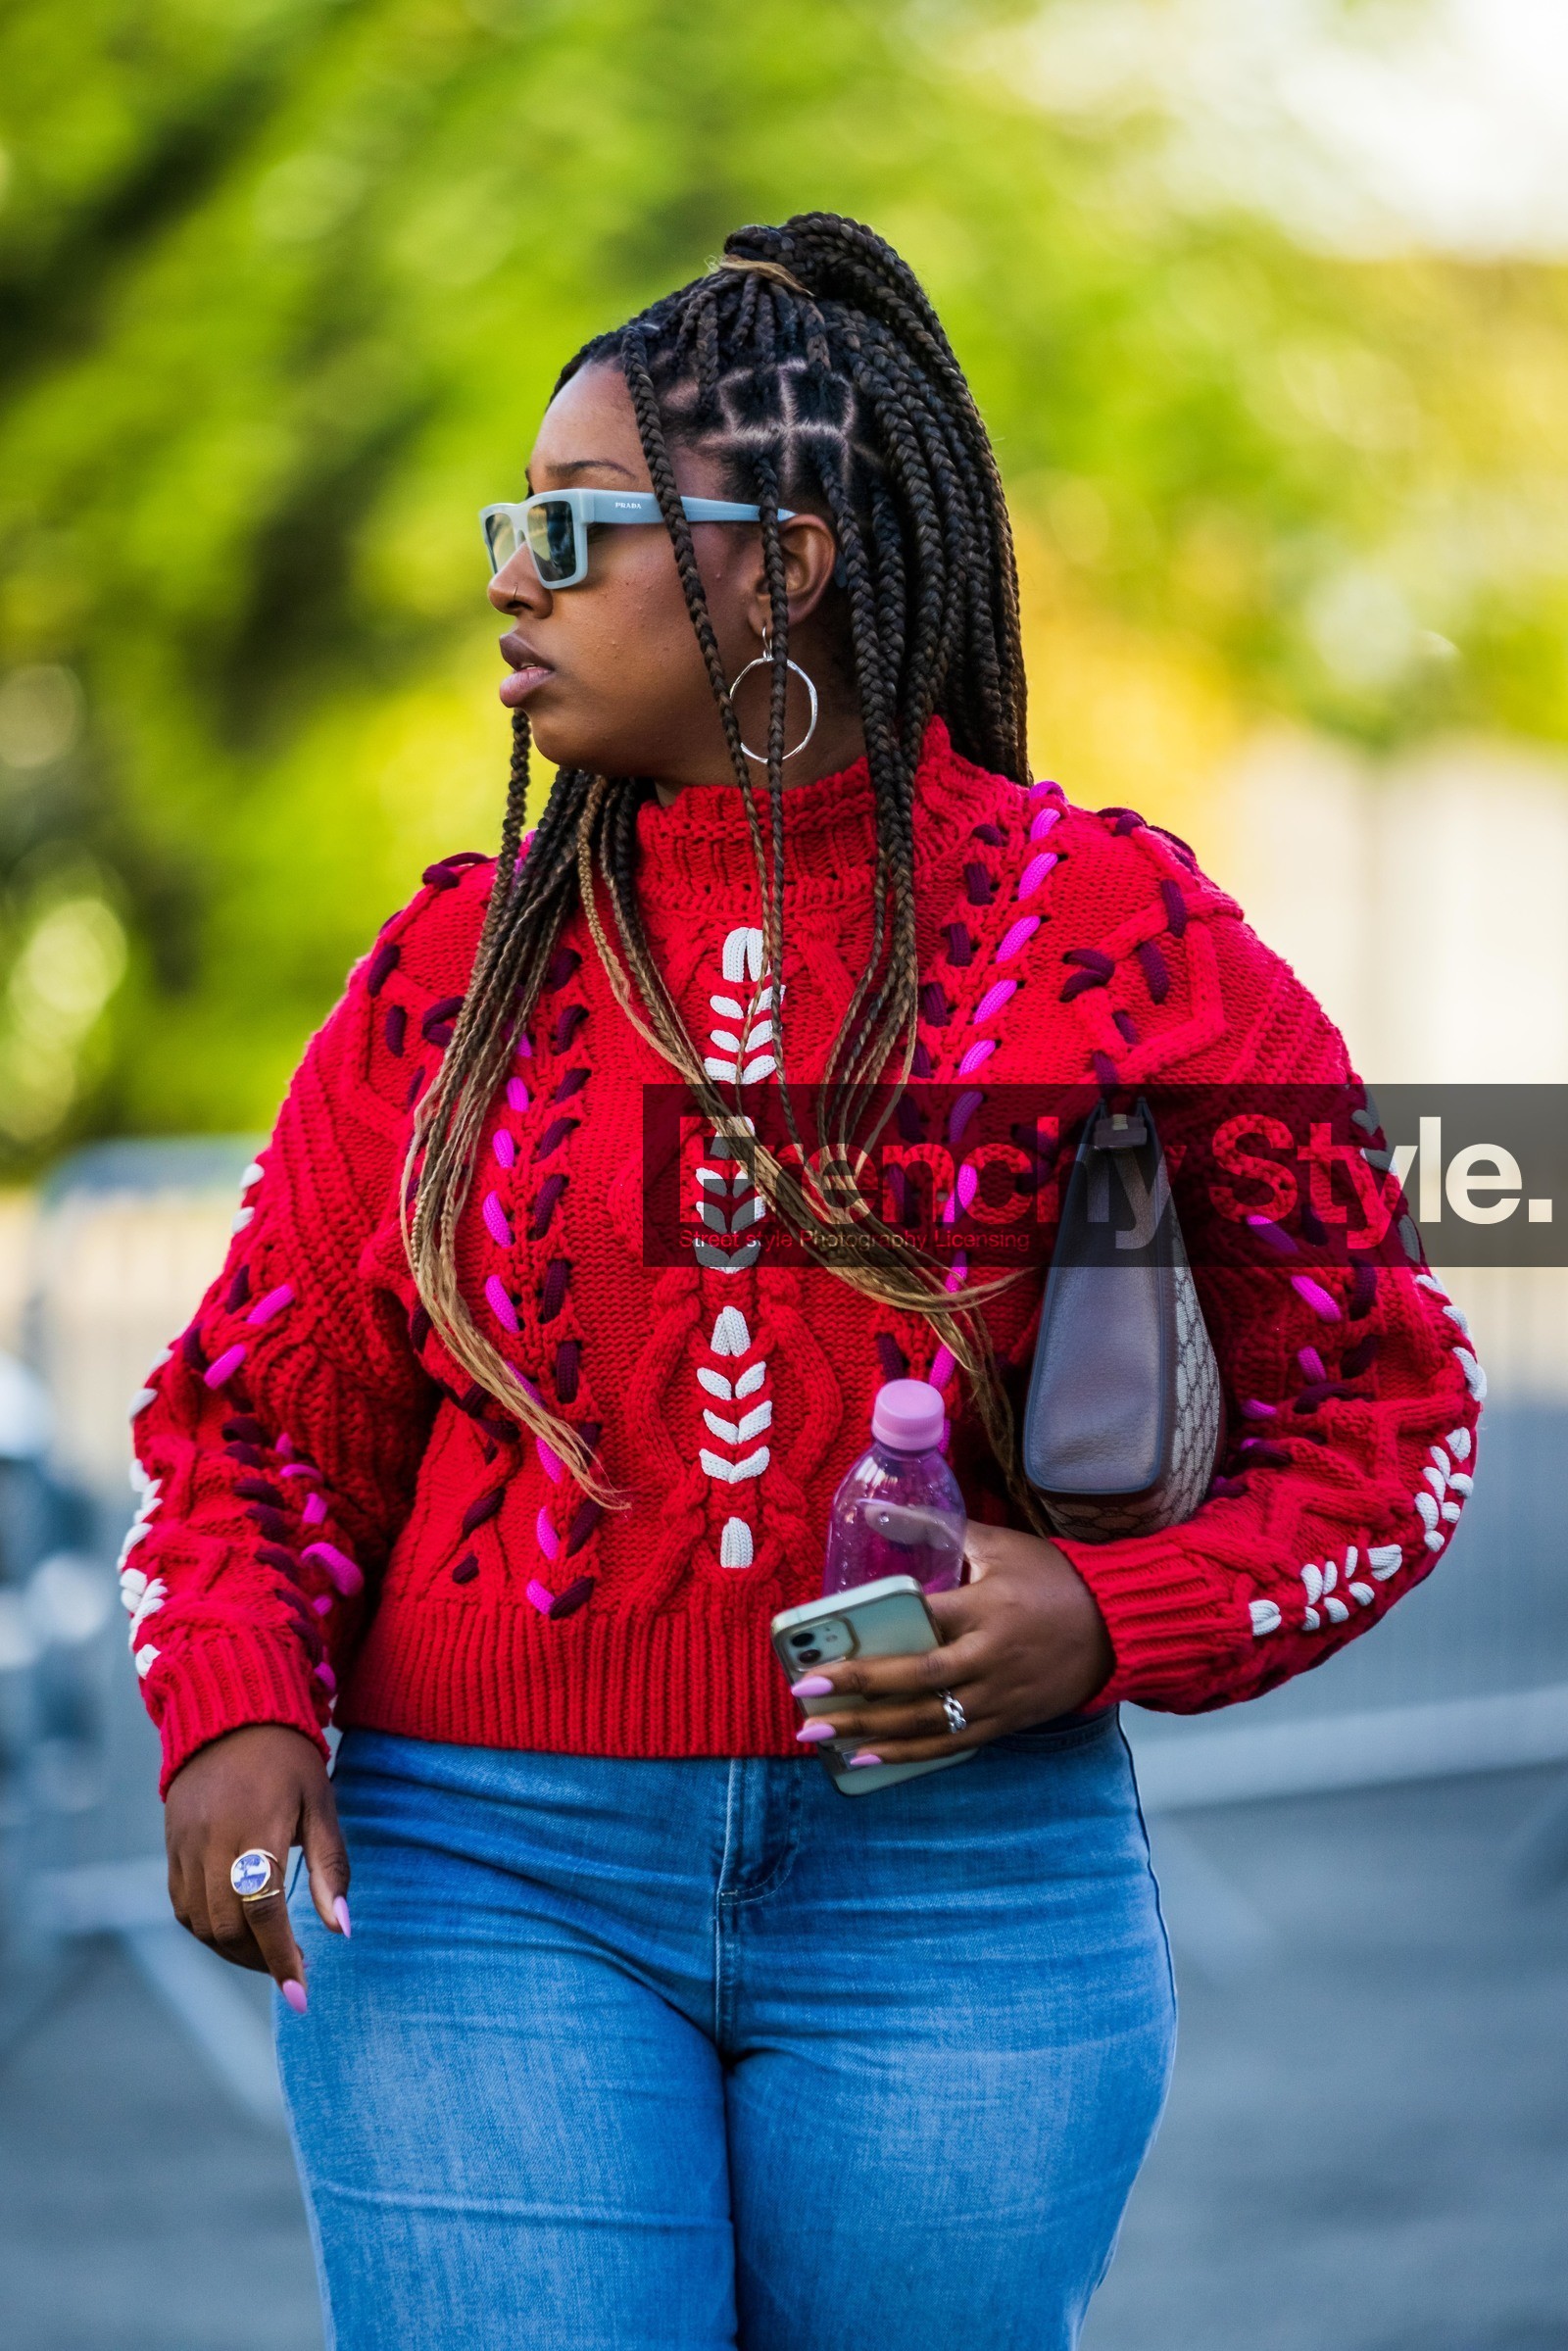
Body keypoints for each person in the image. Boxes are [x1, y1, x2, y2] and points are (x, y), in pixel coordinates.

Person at [127, 215, 1482, 2351]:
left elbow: (1390, 1424)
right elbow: (254, 1424)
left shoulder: (1113, 935)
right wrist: (234, 1701)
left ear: (782, 564)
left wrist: (1109, 1616)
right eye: (514, 526)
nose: (509, 575)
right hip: (477, 1870)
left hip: (959, 1880)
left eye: (570, 530)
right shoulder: (452, 971)